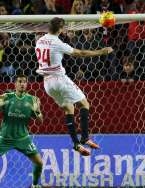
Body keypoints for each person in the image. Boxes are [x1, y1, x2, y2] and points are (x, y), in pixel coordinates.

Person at [35, 17, 113, 156]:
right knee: (84, 104)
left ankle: (76, 144)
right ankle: (84, 137)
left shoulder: (39, 41)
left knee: (69, 108)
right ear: (61, 29)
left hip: (47, 84)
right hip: (59, 79)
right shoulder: (57, 42)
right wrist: (101, 51)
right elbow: (80, 53)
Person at [0, 74, 44, 188]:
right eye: (20, 81)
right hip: (5, 138)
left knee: (39, 163)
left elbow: (40, 121)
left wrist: (38, 111)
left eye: (24, 82)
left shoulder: (33, 100)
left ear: (27, 84)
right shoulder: (6, 97)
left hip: (23, 138)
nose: (22, 84)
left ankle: (34, 185)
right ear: (15, 84)